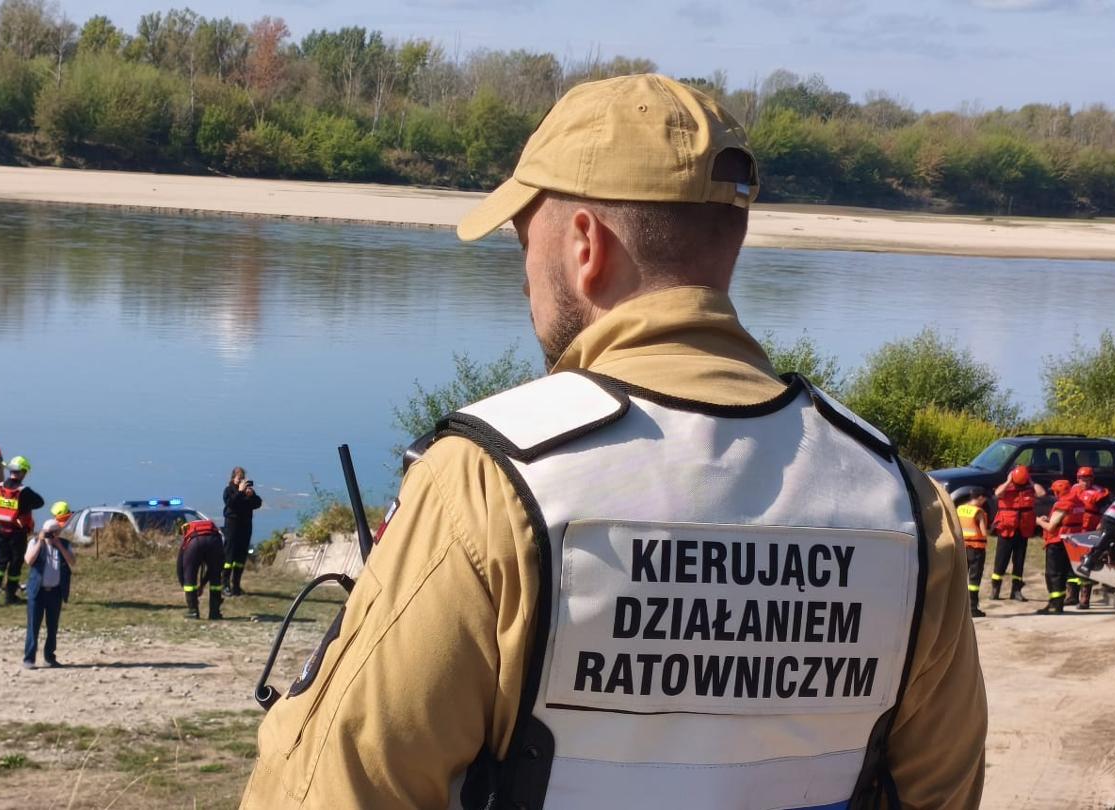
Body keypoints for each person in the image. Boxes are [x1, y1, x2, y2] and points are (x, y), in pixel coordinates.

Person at [241, 74, 986, 809]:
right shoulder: (903, 504)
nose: (521, 281)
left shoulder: (493, 482)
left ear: (585, 246)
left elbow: (337, 788)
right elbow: (943, 790)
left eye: (522, 242)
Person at [0, 456, 45, 607]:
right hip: (17, 533)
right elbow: (40, 502)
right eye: (24, 472)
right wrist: (25, 508)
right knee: (15, 564)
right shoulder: (24, 491)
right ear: (21, 473)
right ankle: (10, 596)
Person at [23, 515, 77, 669]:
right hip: (37, 591)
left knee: (52, 626)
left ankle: (50, 657)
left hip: (55, 592)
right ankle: (29, 659)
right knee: (33, 626)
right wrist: (41, 542)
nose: (51, 535)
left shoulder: (64, 544)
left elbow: (72, 561)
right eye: (48, 532)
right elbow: (29, 560)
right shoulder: (34, 542)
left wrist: (59, 544)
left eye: (54, 532)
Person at [990, 465, 1045, 602]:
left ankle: (1016, 591)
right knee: (1001, 561)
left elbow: (1042, 494)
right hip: (1007, 529)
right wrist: (1009, 481)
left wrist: (1031, 481)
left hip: (1023, 529)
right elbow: (997, 494)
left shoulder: (1029, 487)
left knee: (1019, 562)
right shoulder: (1005, 487)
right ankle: (995, 590)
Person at [1034, 480, 1085, 615]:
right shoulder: (1078, 502)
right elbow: (1066, 521)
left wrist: (1039, 521)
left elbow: (1051, 527)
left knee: (1054, 575)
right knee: (1065, 573)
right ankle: (1059, 602)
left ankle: (1055, 605)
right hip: (1072, 542)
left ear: (1057, 492)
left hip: (1057, 543)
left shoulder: (1063, 504)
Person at [1069, 477, 1112, 610]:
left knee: (1086, 562)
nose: (1085, 482)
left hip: (1091, 531)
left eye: (1087, 479)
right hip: (1076, 529)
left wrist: (1102, 523)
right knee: (1072, 562)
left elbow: (1107, 510)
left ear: (1092, 479)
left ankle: (1085, 598)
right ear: (1078, 479)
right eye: (1082, 479)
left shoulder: (1099, 493)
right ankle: (1071, 595)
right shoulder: (1073, 489)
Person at [222, 467, 263, 596]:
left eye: (243, 478)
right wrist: (239, 492)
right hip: (232, 526)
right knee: (229, 557)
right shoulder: (228, 490)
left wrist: (251, 495)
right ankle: (225, 585)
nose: (241, 481)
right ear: (233, 478)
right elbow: (232, 504)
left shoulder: (247, 491)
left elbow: (258, 503)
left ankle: (236, 586)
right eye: (239, 478)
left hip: (245, 527)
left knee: (240, 558)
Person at [179, 518, 227, 620]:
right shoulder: (214, 531)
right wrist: (203, 584)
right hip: (214, 542)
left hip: (194, 544)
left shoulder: (188, 534)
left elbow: (180, 567)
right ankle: (214, 612)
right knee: (216, 578)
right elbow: (215, 569)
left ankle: (193, 611)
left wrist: (185, 586)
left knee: (189, 577)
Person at [957, 487, 991, 618]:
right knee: (974, 579)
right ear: (980, 497)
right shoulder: (978, 512)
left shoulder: (960, 509)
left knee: (961, 577)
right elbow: (983, 532)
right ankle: (973, 608)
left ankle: (958, 608)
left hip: (962, 547)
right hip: (976, 548)